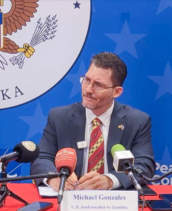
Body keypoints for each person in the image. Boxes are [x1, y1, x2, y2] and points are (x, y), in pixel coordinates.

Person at [31, 52, 155, 191]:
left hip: (115, 201)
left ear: (117, 92)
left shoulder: (137, 121)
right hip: (71, 199)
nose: (88, 90)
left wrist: (109, 180)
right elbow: (41, 158)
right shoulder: (59, 117)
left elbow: (145, 165)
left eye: (98, 85)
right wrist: (54, 177)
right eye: (86, 80)